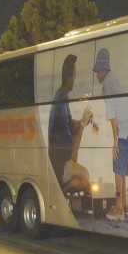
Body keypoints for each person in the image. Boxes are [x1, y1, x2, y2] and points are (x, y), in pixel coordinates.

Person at [93, 48, 128, 221]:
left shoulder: (108, 86)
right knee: (122, 167)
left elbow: (113, 117)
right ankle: (125, 203)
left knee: (117, 165)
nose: (97, 76)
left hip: (126, 125)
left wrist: (114, 142)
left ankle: (119, 207)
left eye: (97, 72)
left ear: (102, 70)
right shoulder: (114, 80)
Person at [48, 54, 93, 195]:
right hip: (61, 166)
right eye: (74, 75)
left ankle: (63, 192)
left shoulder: (62, 96)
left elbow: (69, 124)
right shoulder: (61, 102)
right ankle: (60, 191)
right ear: (68, 78)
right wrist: (83, 125)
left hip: (60, 162)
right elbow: (72, 152)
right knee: (85, 177)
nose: (75, 78)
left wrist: (81, 121)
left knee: (84, 181)